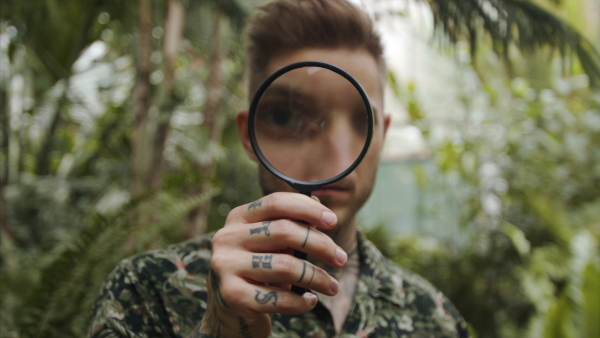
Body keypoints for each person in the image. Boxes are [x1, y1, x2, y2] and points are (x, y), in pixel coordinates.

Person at [88, 0, 469, 337]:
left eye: (361, 121)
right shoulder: (145, 291)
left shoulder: (437, 320)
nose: (335, 159)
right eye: (286, 115)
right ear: (249, 135)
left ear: (382, 136)